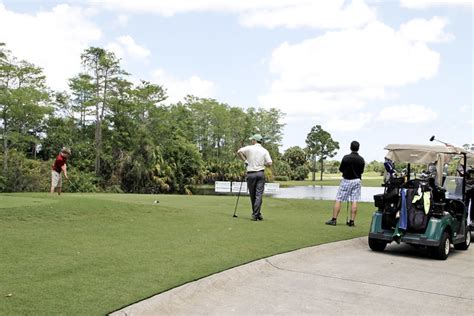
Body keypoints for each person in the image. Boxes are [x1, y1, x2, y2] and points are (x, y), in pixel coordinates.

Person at [325, 141, 365, 227]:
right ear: (358, 148)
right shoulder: (361, 159)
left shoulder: (346, 157)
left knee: (338, 199)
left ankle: (334, 220)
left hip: (346, 180)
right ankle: (351, 221)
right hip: (356, 180)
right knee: (354, 200)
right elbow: (361, 171)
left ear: (350, 147)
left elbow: (341, 169)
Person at [236, 134, 272, 221]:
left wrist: (245, 161)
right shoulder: (264, 150)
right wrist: (263, 164)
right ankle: (257, 214)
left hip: (251, 174)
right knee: (258, 195)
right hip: (260, 174)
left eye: (252, 140)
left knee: (253, 195)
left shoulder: (249, 148)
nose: (251, 141)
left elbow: (239, 152)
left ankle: (255, 215)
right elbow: (270, 163)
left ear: (255, 141)